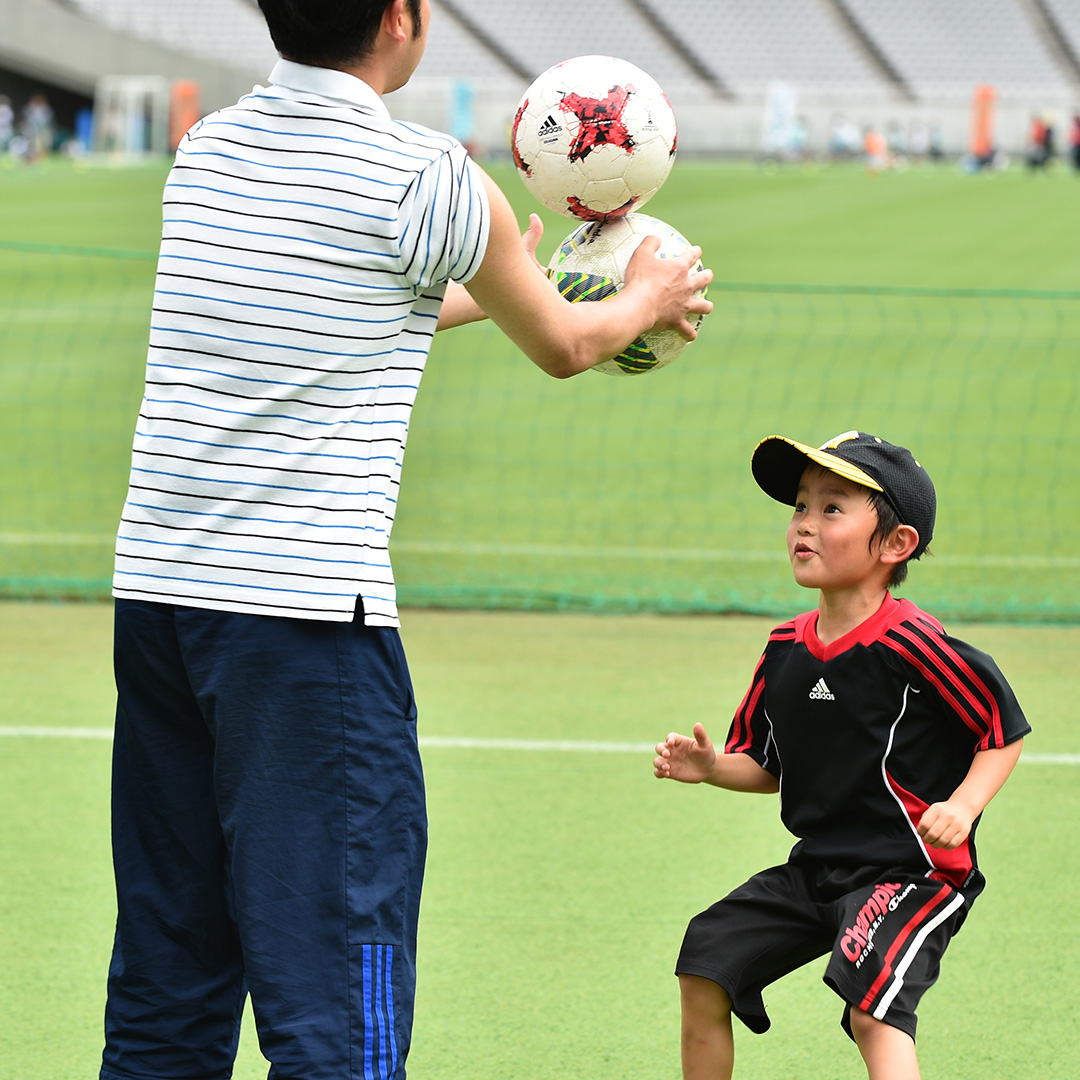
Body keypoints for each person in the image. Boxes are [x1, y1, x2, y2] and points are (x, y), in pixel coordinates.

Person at [102, 2, 712, 1078]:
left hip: (160, 602)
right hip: (304, 630)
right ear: (400, 18)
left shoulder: (204, 150)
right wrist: (645, 294)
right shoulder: (426, 177)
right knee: (341, 984)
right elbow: (570, 347)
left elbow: (338, 303)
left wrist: (499, 281)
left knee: (169, 974)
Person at [653, 431, 1028, 1080]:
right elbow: (766, 767)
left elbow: (1002, 730)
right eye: (800, 506)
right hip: (819, 867)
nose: (804, 525)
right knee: (705, 960)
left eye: (832, 509)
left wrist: (964, 807)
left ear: (895, 544)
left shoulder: (918, 645)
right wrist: (713, 768)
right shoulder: (784, 649)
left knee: (871, 1010)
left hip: (912, 873)